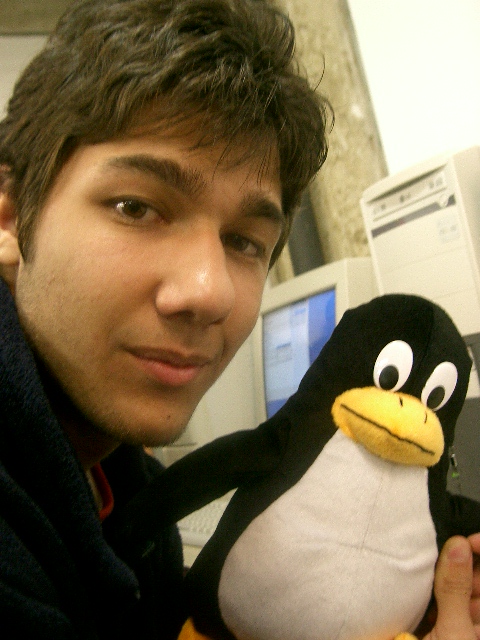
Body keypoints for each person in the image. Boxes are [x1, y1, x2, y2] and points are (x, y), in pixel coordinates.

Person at [0, 0, 478, 638]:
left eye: (245, 242)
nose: (210, 292)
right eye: (136, 207)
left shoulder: (120, 482)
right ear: (9, 217)